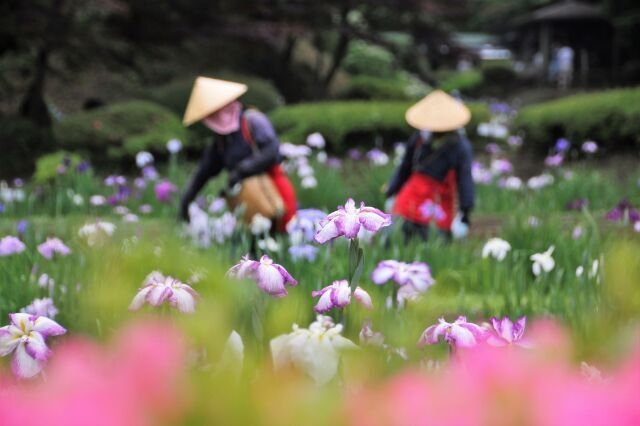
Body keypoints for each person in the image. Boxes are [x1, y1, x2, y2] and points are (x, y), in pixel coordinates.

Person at [179, 77, 297, 232]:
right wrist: (186, 202)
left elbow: (272, 150)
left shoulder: (253, 120)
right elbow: (203, 173)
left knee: (285, 231)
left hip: (272, 189)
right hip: (247, 200)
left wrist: (241, 170)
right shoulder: (221, 141)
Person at [384, 90, 474, 242]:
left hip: (409, 201)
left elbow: (404, 168)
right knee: (433, 251)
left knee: (397, 244)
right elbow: (465, 180)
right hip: (437, 205)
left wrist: (392, 191)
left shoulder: (420, 137)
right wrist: (465, 212)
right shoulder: (460, 145)